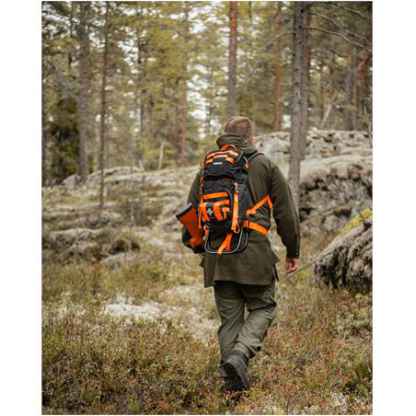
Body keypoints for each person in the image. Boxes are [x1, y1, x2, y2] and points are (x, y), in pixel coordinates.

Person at [183, 116, 300, 391]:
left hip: (217, 258)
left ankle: (230, 386)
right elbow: (286, 214)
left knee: (230, 322)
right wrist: (292, 251)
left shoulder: (207, 168)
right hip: (254, 254)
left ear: (225, 137)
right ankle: (239, 356)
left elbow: (190, 212)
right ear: (251, 138)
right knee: (264, 307)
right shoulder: (264, 165)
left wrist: (199, 247)